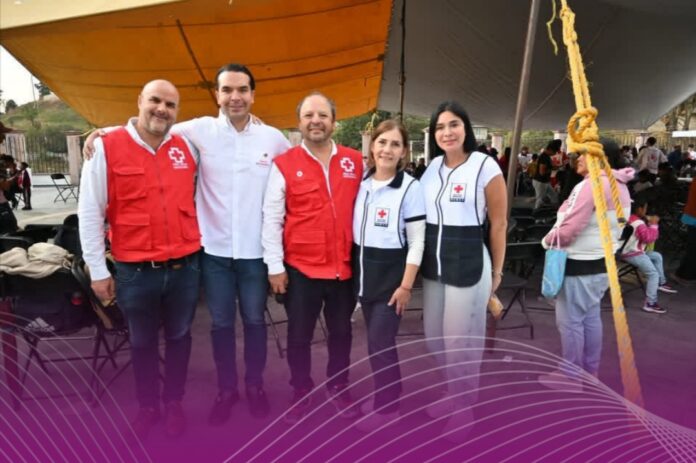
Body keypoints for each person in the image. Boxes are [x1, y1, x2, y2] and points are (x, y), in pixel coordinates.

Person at [84, 63, 291, 423]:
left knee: (255, 322)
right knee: (220, 326)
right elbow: (149, 127)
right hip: (213, 254)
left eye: (242, 90)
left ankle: (254, 386)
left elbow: (296, 173)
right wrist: (102, 133)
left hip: (255, 254)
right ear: (217, 95)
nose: (235, 97)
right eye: (227, 90)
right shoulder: (198, 131)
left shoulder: (272, 138)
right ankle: (226, 391)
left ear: (253, 95)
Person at [78, 80, 201, 439]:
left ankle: (174, 402)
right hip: (135, 272)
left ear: (177, 112)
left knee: (180, 337)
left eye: (170, 104)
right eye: (155, 101)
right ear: (139, 101)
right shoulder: (106, 146)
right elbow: (90, 212)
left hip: (184, 267)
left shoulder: (188, 147)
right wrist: (97, 270)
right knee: (142, 342)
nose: (162, 109)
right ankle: (148, 407)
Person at [262, 92, 364, 424]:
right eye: (308, 115)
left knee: (342, 334)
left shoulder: (354, 161)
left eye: (322, 115)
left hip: (343, 268)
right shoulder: (284, 164)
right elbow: (272, 218)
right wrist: (275, 267)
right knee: (298, 337)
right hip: (301, 270)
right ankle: (301, 389)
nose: (315, 121)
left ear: (334, 122)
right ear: (300, 122)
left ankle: (339, 386)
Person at [419, 101, 507, 439]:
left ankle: (463, 406)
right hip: (435, 265)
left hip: (469, 261)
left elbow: (498, 224)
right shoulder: (431, 168)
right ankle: (454, 391)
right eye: (440, 127)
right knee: (434, 337)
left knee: (460, 340)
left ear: (466, 128)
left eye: (454, 124)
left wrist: (497, 273)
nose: (447, 132)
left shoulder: (485, 166)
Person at [538, 143, 633, 391]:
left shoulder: (591, 185)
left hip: (579, 264)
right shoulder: (620, 185)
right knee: (590, 319)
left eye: (583, 154)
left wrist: (546, 241)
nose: (577, 158)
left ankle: (570, 377)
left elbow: (568, 229)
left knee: (570, 322)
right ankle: (590, 372)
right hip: (601, 265)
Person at [351, 120, 425, 432]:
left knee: (380, 343)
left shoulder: (410, 187)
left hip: (392, 281)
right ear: (372, 147)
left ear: (404, 151)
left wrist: (406, 286)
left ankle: (388, 408)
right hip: (363, 277)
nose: (387, 149)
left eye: (395, 144)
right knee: (377, 344)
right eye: (382, 142)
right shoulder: (362, 182)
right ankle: (388, 394)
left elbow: (417, 241)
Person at [619, 197, 677, 314]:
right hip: (633, 253)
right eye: (645, 208)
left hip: (624, 250)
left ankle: (661, 283)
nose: (646, 211)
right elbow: (649, 239)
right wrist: (654, 225)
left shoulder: (626, 218)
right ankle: (650, 303)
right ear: (639, 209)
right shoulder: (639, 223)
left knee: (656, 256)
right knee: (653, 274)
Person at [673, 178, 696, 286]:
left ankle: (685, 275)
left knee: (692, 248)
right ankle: (685, 275)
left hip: (692, 217)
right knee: (693, 248)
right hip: (693, 217)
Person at [533, 140, 559, 209]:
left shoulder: (547, 157)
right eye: (555, 152)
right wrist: (552, 169)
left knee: (554, 196)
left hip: (545, 181)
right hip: (540, 181)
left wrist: (554, 167)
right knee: (540, 199)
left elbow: (547, 168)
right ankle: (537, 213)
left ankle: (553, 210)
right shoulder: (544, 157)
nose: (555, 153)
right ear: (550, 150)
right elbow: (542, 172)